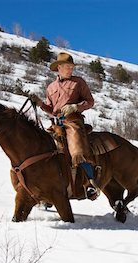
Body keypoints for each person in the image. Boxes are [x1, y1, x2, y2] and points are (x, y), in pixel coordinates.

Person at [31, 52, 98, 199]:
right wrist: (40, 103)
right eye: (68, 66)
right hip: (56, 124)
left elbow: (90, 101)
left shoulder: (79, 82)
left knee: (77, 149)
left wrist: (75, 107)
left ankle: (90, 183)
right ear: (59, 67)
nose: (71, 69)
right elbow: (51, 109)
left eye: (72, 66)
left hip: (73, 121)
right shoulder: (50, 87)